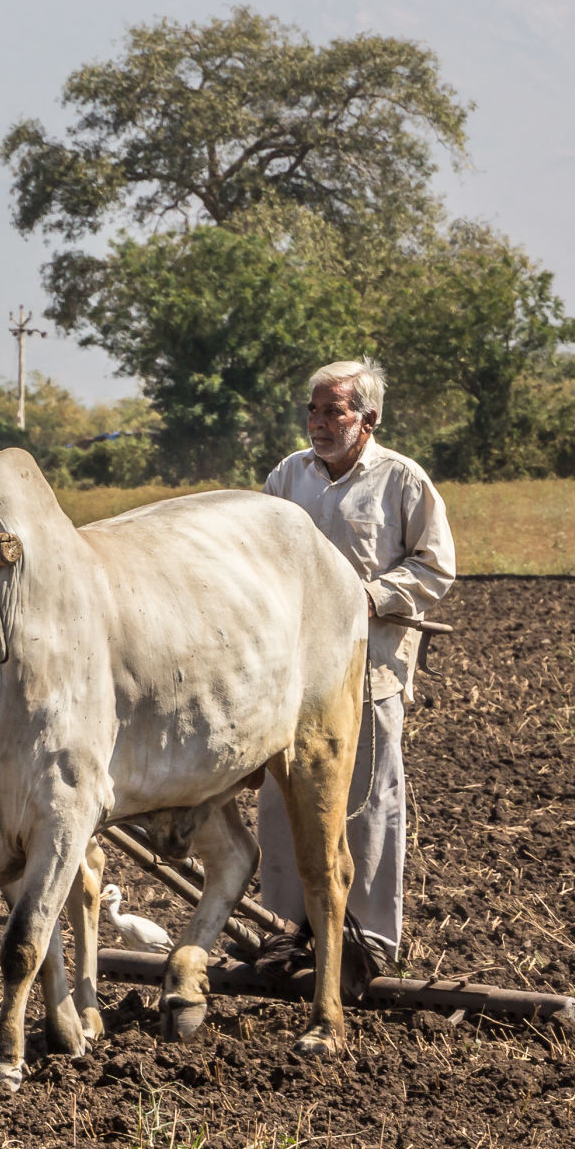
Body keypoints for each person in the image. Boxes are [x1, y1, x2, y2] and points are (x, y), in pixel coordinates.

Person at [254, 358, 455, 978]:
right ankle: (284, 932)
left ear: (367, 419)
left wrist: (371, 596)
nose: (318, 423)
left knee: (367, 805)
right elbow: (256, 553)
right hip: (291, 674)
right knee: (281, 802)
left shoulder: (402, 480)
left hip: (368, 671)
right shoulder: (288, 476)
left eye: (332, 411)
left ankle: (366, 944)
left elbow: (435, 566)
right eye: (313, 410)